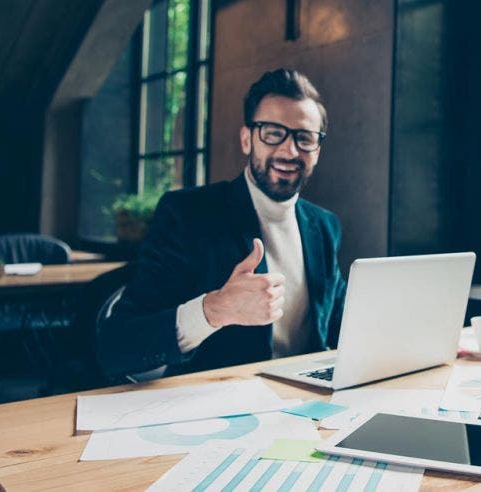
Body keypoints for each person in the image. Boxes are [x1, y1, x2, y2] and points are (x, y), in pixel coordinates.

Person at [99, 68, 347, 378]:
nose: (289, 149)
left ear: (317, 151)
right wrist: (214, 310)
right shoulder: (187, 215)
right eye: (272, 133)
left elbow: (340, 328)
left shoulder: (324, 226)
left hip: (308, 404)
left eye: (304, 138)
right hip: (219, 410)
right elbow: (116, 347)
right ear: (247, 139)